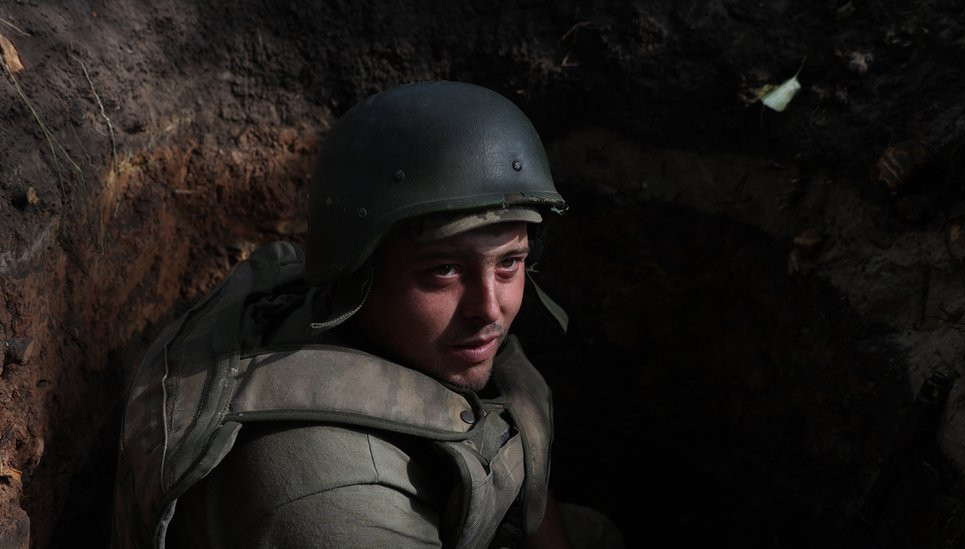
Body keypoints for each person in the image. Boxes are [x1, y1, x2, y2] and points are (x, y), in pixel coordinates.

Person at [112, 81, 624, 548]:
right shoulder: (330, 497)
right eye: (444, 270)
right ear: (357, 272)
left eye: (510, 262)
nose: (489, 308)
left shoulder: (431, 337)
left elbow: (516, 448)